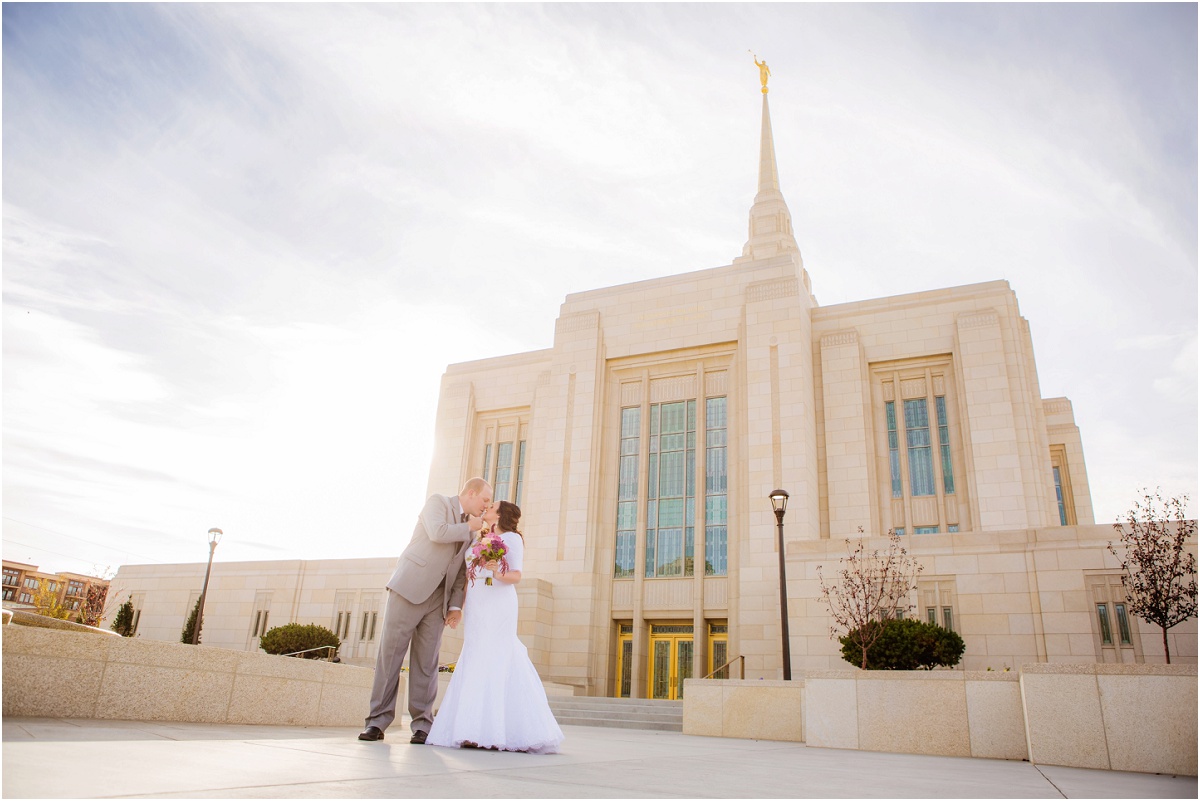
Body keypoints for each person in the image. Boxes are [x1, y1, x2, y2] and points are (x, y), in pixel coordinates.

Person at [358, 477, 492, 744]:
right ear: (471, 493)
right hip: (408, 589)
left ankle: (422, 725)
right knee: (391, 657)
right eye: (485, 501)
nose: (486, 508)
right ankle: (377, 722)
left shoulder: (471, 533)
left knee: (427, 664)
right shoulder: (438, 503)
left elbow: (460, 573)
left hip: (437, 602)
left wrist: (455, 606)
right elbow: (438, 532)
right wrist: (467, 527)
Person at [427, 501, 564, 754]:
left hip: (499, 602)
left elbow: (516, 575)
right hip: (478, 605)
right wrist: (458, 608)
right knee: (475, 656)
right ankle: (469, 729)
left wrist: (496, 573)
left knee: (499, 655)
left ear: (499, 514)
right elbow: (467, 578)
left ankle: (499, 730)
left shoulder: (512, 539)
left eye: (492, 506)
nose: (486, 507)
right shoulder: (480, 538)